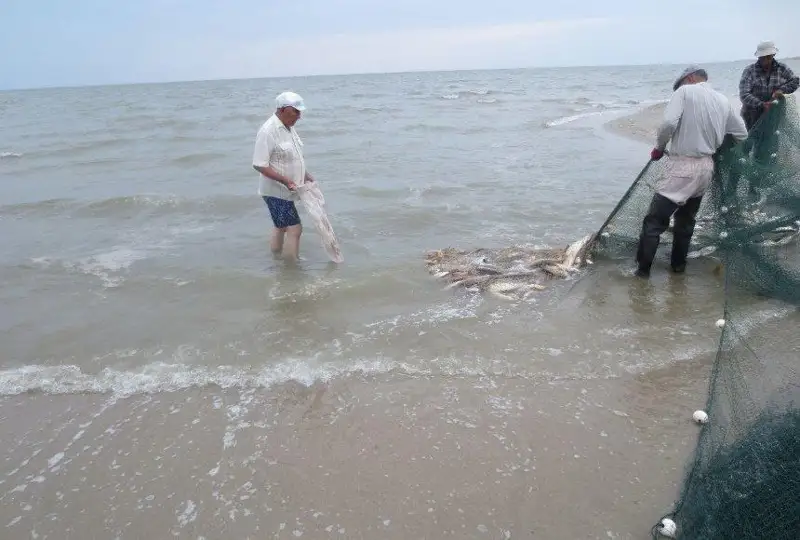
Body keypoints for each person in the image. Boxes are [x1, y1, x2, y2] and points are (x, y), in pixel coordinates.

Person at [634, 66, 748, 278]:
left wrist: (659, 147)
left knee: (654, 222)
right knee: (686, 221)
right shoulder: (723, 100)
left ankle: (641, 273)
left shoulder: (685, 92)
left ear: (689, 78)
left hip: (682, 167)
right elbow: (741, 133)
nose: (679, 89)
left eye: (680, 85)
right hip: (706, 168)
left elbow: (668, 123)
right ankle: (678, 268)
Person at [252, 91, 316, 261]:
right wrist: (286, 181)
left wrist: (305, 175)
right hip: (276, 191)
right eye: (295, 111)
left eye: (300, 112)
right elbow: (259, 164)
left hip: (286, 190)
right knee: (295, 229)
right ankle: (292, 268)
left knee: (280, 226)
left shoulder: (289, 128)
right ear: (282, 109)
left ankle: (276, 259)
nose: (299, 116)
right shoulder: (268, 130)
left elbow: (292, 157)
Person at [739, 41, 799, 131]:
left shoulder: (782, 68)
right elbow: (744, 94)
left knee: (773, 139)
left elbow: (795, 81)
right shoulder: (750, 71)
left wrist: (782, 90)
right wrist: (762, 104)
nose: (765, 60)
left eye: (768, 57)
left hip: (775, 113)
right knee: (754, 141)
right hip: (752, 115)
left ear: (773, 55)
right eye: (763, 57)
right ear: (759, 57)